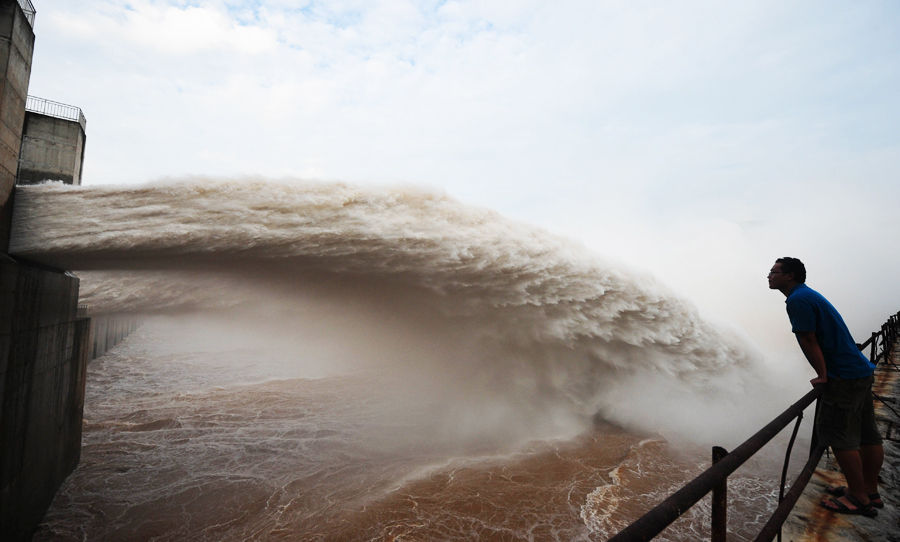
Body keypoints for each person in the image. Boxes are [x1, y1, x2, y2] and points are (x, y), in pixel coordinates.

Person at [768, 257, 884, 517]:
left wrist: (822, 375)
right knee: (867, 434)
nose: (769, 275)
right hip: (859, 371)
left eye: (774, 272)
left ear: (791, 276)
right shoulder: (808, 295)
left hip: (843, 376)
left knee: (839, 436)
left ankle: (857, 498)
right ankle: (870, 491)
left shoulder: (797, 300)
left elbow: (808, 339)